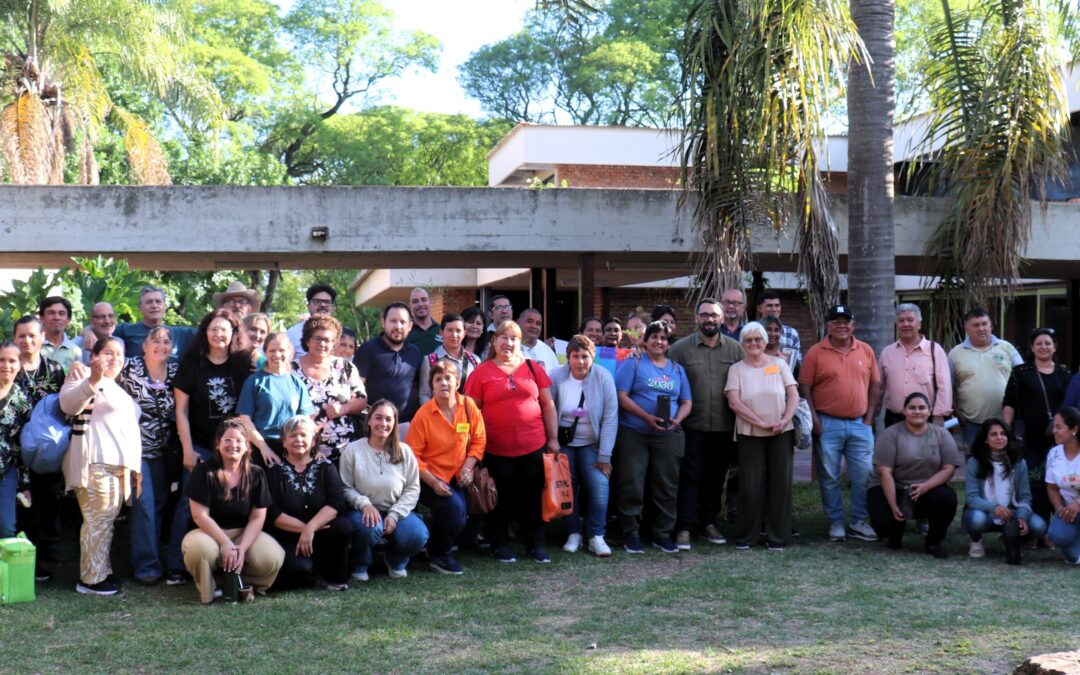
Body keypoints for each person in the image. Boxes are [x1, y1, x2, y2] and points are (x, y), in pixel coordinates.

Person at [166, 308, 254, 585]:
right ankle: (176, 566)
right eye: (213, 329)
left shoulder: (244, 365)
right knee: (188, 504)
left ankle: (238, 562)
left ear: (233, 334)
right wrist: (188, 449)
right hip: (201, 447)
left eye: (224, 329)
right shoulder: (192, 363)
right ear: (205, 332)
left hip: (237, 450)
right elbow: (181, 411)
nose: (218, 334)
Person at [463, 320, 559, 563]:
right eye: (503, 337)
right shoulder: (481, 372)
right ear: (494, 341)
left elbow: (548, 404)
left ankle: (535, 545)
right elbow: (470, 413)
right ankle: (500, 544)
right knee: (500, 499)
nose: (508, 342)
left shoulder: (533, 368)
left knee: (532, 498)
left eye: (514, 338)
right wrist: (471, 447)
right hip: (495, 450)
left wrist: (553, 439)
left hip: (533, 447)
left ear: (520, 342)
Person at [60, 337, 143, 595]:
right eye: (108, 352)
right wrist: (93, 380)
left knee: (105, 520)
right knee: (97, 520)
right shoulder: (82, 375)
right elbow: (69, 404)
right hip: (94, 462)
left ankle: (101, 571)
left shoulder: (118, 388)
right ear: (94, 356)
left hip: (117, 468)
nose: (115, 358)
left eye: (119, 354)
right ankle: (90, 580)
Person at [799, 304, 880, 543]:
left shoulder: (865, 350)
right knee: (829, 476)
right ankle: (836, 522)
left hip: (860, 424)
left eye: (846, 321)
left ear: (853, 325)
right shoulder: (816, 352)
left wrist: (869, 419)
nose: (842, 326)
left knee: (864, 474)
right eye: (836, 321)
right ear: (828, 326)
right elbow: (805, 387)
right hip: (827, 423)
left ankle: (858, 521)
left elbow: (875, 385)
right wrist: (815, 420)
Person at [180, 418, 285, 604]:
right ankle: (209, 591)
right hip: (207, 533)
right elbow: (199, 515)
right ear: (218, 444)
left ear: (246, 445)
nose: (233, 445)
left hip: (243, 533)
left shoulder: (256, 473)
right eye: (227, 440)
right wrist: (225, 543)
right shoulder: (203, 471)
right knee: (199, 549)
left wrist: (242, 548)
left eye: (238, 441)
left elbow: (257, 518)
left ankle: (244, 584)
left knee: (272, 555)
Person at [667, 298, 743, 549]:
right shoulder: (680, 349)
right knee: (690, 477)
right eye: (705, 315)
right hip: (691, 426)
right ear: (696, 318)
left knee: (715, 478)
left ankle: (708, 522)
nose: (710, 319)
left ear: (721, 319)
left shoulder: (735, 350)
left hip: (724, 426)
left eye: (714, 315)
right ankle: (685, 527)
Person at [614, 320, 692, 554]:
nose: (659, 341)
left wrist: (678, 419)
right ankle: (631, 533)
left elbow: (687, 402)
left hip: (668, 435)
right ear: (645, 341)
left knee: (666, 485)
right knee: (632, 483)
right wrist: (646, 416)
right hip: (634, 433)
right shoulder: (634, 363)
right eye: (654, 337)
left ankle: (662, 534)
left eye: (663, 338)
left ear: (668, 343)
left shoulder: (677, 369)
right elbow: (621, 395)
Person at [405, 359, 487, 574]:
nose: (444, 383)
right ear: (432, 386)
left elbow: (479, 440)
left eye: (448, 378)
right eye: (438, 379)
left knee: (463, 514)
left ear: (457, 383)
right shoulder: (423, 415)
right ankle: (440, 557)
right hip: (428, 478)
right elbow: (412, 455)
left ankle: (433, 548)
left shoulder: (468, 406)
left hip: (459, 476)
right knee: (454, 509)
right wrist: (433, 482)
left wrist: (468, 467)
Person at [725, 322, 799, 551]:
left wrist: (785, 419)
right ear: (742, 344)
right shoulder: (736, 369)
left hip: (781, 432)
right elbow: (734, 402)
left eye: (758, 339)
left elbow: (793, 395)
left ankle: (778, 536)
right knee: (750, 485)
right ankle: (747, 536)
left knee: (780, 484)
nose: (754, 343)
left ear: (765, 342)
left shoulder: (779, 364)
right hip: (750, 433)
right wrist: (760, 422)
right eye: (749, 340)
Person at [339, 400, 429, 580]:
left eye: (388, 419)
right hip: (362, 511)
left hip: (396, 510)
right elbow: (345, 487)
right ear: (369, 421)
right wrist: (364, 505)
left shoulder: (404, 451)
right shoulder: (353, 450)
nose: (383, 423)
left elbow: (412, 488)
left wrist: (395, 514)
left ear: (394, 423)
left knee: (417, 535)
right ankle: (360, 562)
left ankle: (396, 559)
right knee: (369, 527)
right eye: (378, 418)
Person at [117, 327, 178, 585]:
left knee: (160, 504)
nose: (161, 345)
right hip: (135, 449)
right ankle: (146, 567)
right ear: (144, 346)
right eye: (155, 340)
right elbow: (100, 375)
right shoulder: (128, 367)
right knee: (144, 504)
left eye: (166, 341)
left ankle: (156, 557)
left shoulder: (176, 371)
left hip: (164, 451)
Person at [866, 393, 961, 558]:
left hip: (925, 488)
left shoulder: (942, 434)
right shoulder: (891, 434)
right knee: (883, 526)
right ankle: (895, 533)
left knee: (947, 498)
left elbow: (948, 469)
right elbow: (885, 473)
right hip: (893, 487)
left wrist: (925, 487)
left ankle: (933, 542)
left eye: (922, 408)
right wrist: (893, 506)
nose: (917, 411)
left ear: (929, 411)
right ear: (904, 411)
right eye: (912, 408)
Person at [549, 335, 618, 557]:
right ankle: (573, 532)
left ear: (592, 357)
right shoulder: (556, 377)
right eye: (575, 356)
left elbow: (610, 416)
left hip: (592, 443)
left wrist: (605, 455)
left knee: (599, 485)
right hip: (564, 442)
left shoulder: (604, 377)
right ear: (568, 357)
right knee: (566, 487)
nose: (580, 361)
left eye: (585, 356)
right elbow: (548, 410)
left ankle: (596, 535)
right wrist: (552, 442)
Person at [265, 416, 352, 590]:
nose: (298, 439)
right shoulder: (273, 472)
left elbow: (336, 503)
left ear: (313, 442)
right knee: (299, 569)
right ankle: (309, 573)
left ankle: (334, 577)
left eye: (304, 435)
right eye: (292, 435)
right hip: (288, 536)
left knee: (342, 527)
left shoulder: (326, 467)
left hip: (320, 534)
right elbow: (272, 512)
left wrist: (310, 529)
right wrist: (304, 530)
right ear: (284, 442)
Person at [1002, 328, 1071, 530]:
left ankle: (1055, 527)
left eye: (1047, 343)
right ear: (1032, 348)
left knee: (1056, 482)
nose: (1043, 347)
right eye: (1038, 343)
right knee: (1032, 483)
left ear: (1054, 347)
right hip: (1027, 439)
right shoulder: (1021, 372)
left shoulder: (1065, 374)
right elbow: (1009, 403)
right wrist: (1005, 430)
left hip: (1057, 440)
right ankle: (1033, 528)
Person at [14, 314, 65, 580]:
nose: (27, 340)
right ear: (14, 338)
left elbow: (65, 405)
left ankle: (47, 556)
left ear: (42, 337)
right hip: (15, 449)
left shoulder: (55, 370)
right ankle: (24, 557)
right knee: (23, 505)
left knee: (49, 501)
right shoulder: (8, 366)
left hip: (48, 450)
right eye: (21, 336)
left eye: (32, 335)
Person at [963, 418, 1046, 564]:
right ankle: (976, 540)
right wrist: (994, 508)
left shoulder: (1019, 462)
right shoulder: (974, 462)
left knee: (1039, 526)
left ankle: (1008, 537)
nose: (1000, 437)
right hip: (985, 513)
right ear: (985, 439)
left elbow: (1025, 497)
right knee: (976, 519)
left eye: (1003, 434)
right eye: (994, 434)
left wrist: (1021, 517)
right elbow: (972, 497)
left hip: (1011, 513)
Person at [294, 315, 368, 462]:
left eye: (327, 340)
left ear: (334, 343)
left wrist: (345, 408)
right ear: (307, 340)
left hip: (344, 450)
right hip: (304, 451)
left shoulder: (345, 367)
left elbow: (362, 399)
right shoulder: (291, 369)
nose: (322, 344)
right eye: (317, 338)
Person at [236, 332, 315, 467]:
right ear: (265, 352)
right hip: (261, 448)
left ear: (289, 352)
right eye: (272, 350)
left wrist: (314, 448)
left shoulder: (297, 383)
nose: (277, 355)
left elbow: (306, 421)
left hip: (291, 449)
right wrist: (263, 447)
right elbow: (245, 419)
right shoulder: (254, 381)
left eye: (281, 350)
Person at [949, 307, 1023, 446]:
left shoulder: (1007, 347)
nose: (981, 329)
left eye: (984, 324)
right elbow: (948, 387)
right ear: (966, 328)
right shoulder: (955, 354)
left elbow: (1022, 378)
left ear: (991, 326)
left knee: (1005, 456)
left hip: (1005, 421)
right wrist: (958, 414)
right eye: (976, 325)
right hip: (971, 423)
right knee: (974, 457)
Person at [878, 303, 952, 427]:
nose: (905, 324)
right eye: (901, 320)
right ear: (897, 325)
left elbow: (944, 386)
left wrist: (939, 415)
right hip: (894, 420)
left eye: (910, 320)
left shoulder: (934, 350)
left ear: (919, 324)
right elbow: (879, 388)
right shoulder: (887, 353)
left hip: (927, 420)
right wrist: (871, 416)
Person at [354, 303, 421, 432]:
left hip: (405, 426)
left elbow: (418, 388)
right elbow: (356, 389)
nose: (398, 326)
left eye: (403, 322)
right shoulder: (368, 349)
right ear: (383, 323)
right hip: (375, 426)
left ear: (410, 326)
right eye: (393, 321)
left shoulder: (414, 352)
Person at [108, 286, 196, 360]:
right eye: (149, 302)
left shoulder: (182, 334)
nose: (154, 306)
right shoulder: (125, 331)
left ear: (164, 306)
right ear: (140, 308)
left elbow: (204, 333)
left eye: (158, 301)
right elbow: (102, 331)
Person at [0, 340, 31, 540]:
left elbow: (23, 445)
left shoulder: (22, 401)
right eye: (1, 360)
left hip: (6, 470)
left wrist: (25, 485)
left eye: (12, 361)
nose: (6, 365)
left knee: (6, 528)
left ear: (20, 364)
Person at [1044, 407, 1080, 564]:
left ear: (1074, 429)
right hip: (1068, 508)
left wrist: (1077, 504)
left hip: (1077, 505)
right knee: (1057, 535)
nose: (1054, 431)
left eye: (1059, 427)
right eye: (1054, 427)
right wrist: (1060, 509)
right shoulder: (1054, 454)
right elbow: (1052, 487)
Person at [418, 313, 481, 404]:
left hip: (466, 411)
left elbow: (478, 393)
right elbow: (424, 394)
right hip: (438, 411)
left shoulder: (475, 361)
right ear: (441, 332)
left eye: (458, 331)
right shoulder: (430, 360)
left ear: (464, 333)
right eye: (450, 330)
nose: (454, 335)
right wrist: (432, 412)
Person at [286, 283, 337, 357]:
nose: (323, 305)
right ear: (308, 306)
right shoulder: (293, 333)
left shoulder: (342, 335)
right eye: (317, 301)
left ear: (333, 307)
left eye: (327, 302)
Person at [38, 296, 82, 370]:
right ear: (41, 318)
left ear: (68, 320)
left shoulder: (75, 351)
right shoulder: (33, 346)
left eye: (61, 313)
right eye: (51, 313)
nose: (57, 317)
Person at [755, 290, 801, 359]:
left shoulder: (791, 333)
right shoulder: (751, 332)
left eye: (777, 305)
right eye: (769, 305)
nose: (774, 309)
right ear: (759, 308)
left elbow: (797, 360)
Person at [407, 287, 442, 356]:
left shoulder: (442, 330)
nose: (420, 304)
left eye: (424, 300)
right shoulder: (405, 333)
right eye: (415, 301)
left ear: (430, 302)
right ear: (410, 306)